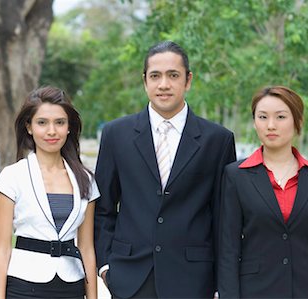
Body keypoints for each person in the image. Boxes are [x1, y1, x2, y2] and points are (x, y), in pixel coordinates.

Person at [94, 40, 236, 299]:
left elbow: (223, 217)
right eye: (155, 76)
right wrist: (105, 266)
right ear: (144, 80)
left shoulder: (218, 139)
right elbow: (103, 208)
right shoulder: (116, 134)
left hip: (194, 279)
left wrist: (220, 283)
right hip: (129, 277)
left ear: (188, 80)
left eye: (173, 75)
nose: (163, 84)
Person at [0, 86, 99, 299]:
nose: (52, 131)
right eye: (42, 123)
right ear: (29, 127)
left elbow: (87, 248)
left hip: (72, 286)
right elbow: (2, 250)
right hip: (23, 286)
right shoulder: (11, 177)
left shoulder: (86, 179)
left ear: (69, 127)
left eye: (59, 122)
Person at [218, 86, 308, 298]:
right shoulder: (236, 175)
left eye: (281, 117)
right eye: (262, 117)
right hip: (255, 290)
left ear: (298, 122)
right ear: (254, 123)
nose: (270, 125)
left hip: (307, 290)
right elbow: (228, 249)